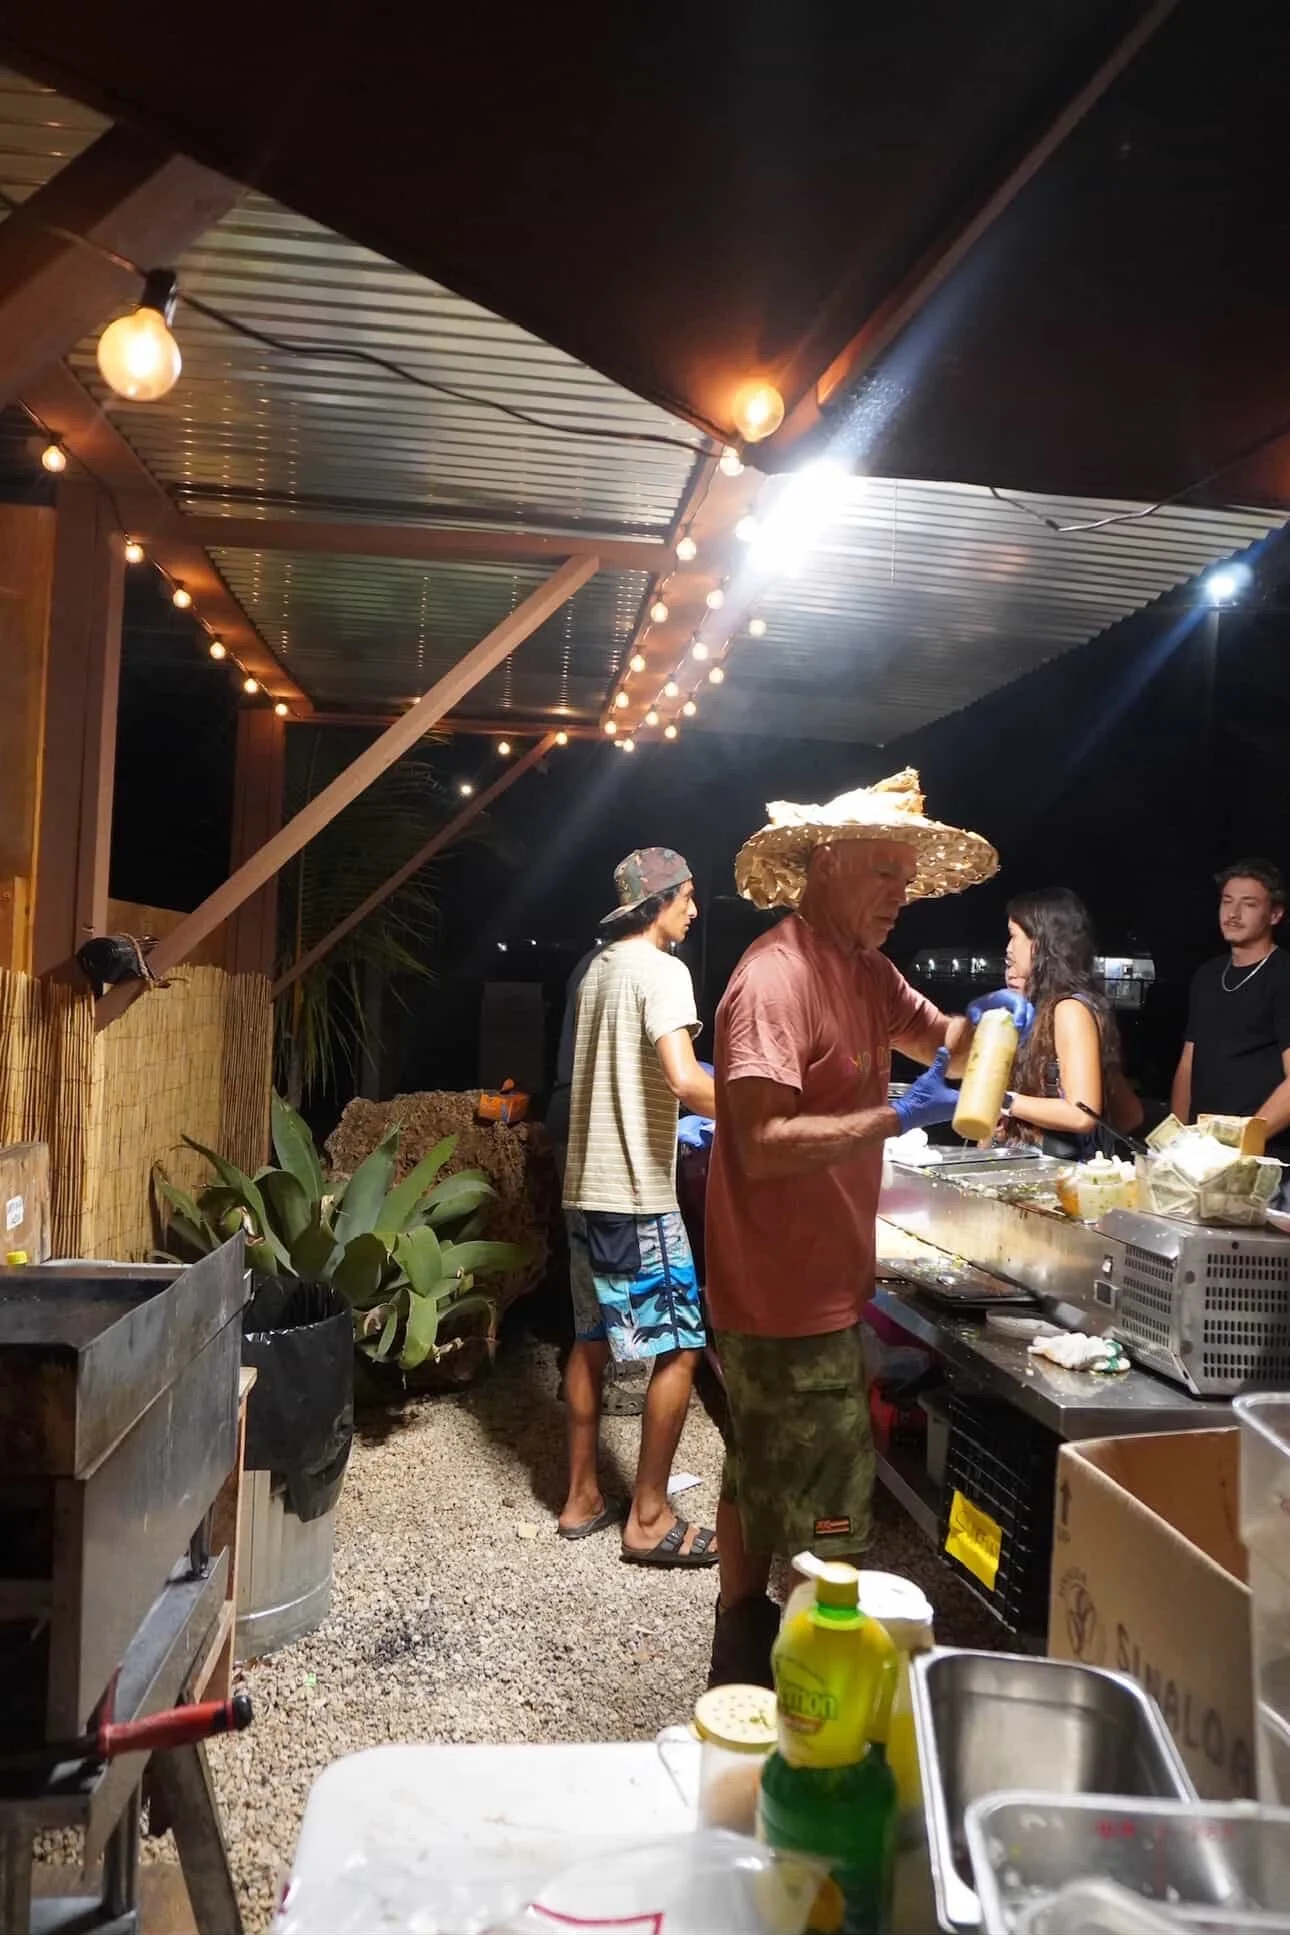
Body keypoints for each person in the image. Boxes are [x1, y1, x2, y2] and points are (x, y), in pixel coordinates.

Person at [702, 770, 1028, 1684]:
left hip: (822, 1280)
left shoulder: (865, 969)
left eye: (907, 877)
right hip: (778, 1288)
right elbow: (760, 1142)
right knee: (833, 1513)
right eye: (884, 872)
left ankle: (740, 1662)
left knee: (758, 1470)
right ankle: (809, 1685)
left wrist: (986, 1023)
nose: (900, 894)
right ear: (827, 863)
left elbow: (938, 1044)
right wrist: (895, 1116)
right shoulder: (774, 979)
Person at [559, 846, 719, 1565]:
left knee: (590, 1339)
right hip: (635, 1196)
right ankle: (649, 1517)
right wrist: (762, 1107)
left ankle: (582, 1498)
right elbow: (684, 1080)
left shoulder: (596, 968)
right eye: (687, 897)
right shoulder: (663, 970)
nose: (694, 909)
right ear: (658, 902)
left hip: (583, 1188)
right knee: (681, 1346)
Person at [997, 888, 1143, 1159]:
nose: (1008, 948)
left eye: (1014, 935)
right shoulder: (1038, 1012)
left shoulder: (1069, 1010)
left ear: (1040, 943)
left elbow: (1081, 1113)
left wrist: (1001, 1100)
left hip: (1063, 1172)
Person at [1171, 859, 1290, 1163]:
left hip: (1264, 1157)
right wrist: (1176, 1141)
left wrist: (1242, 1146)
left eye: (1248, 904)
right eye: (1227, 901)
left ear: (1275, 914)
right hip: (1201, 1153)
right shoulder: (1207, 975)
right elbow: (1188, 1064)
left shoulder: (1283, 975)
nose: (1233, 914)